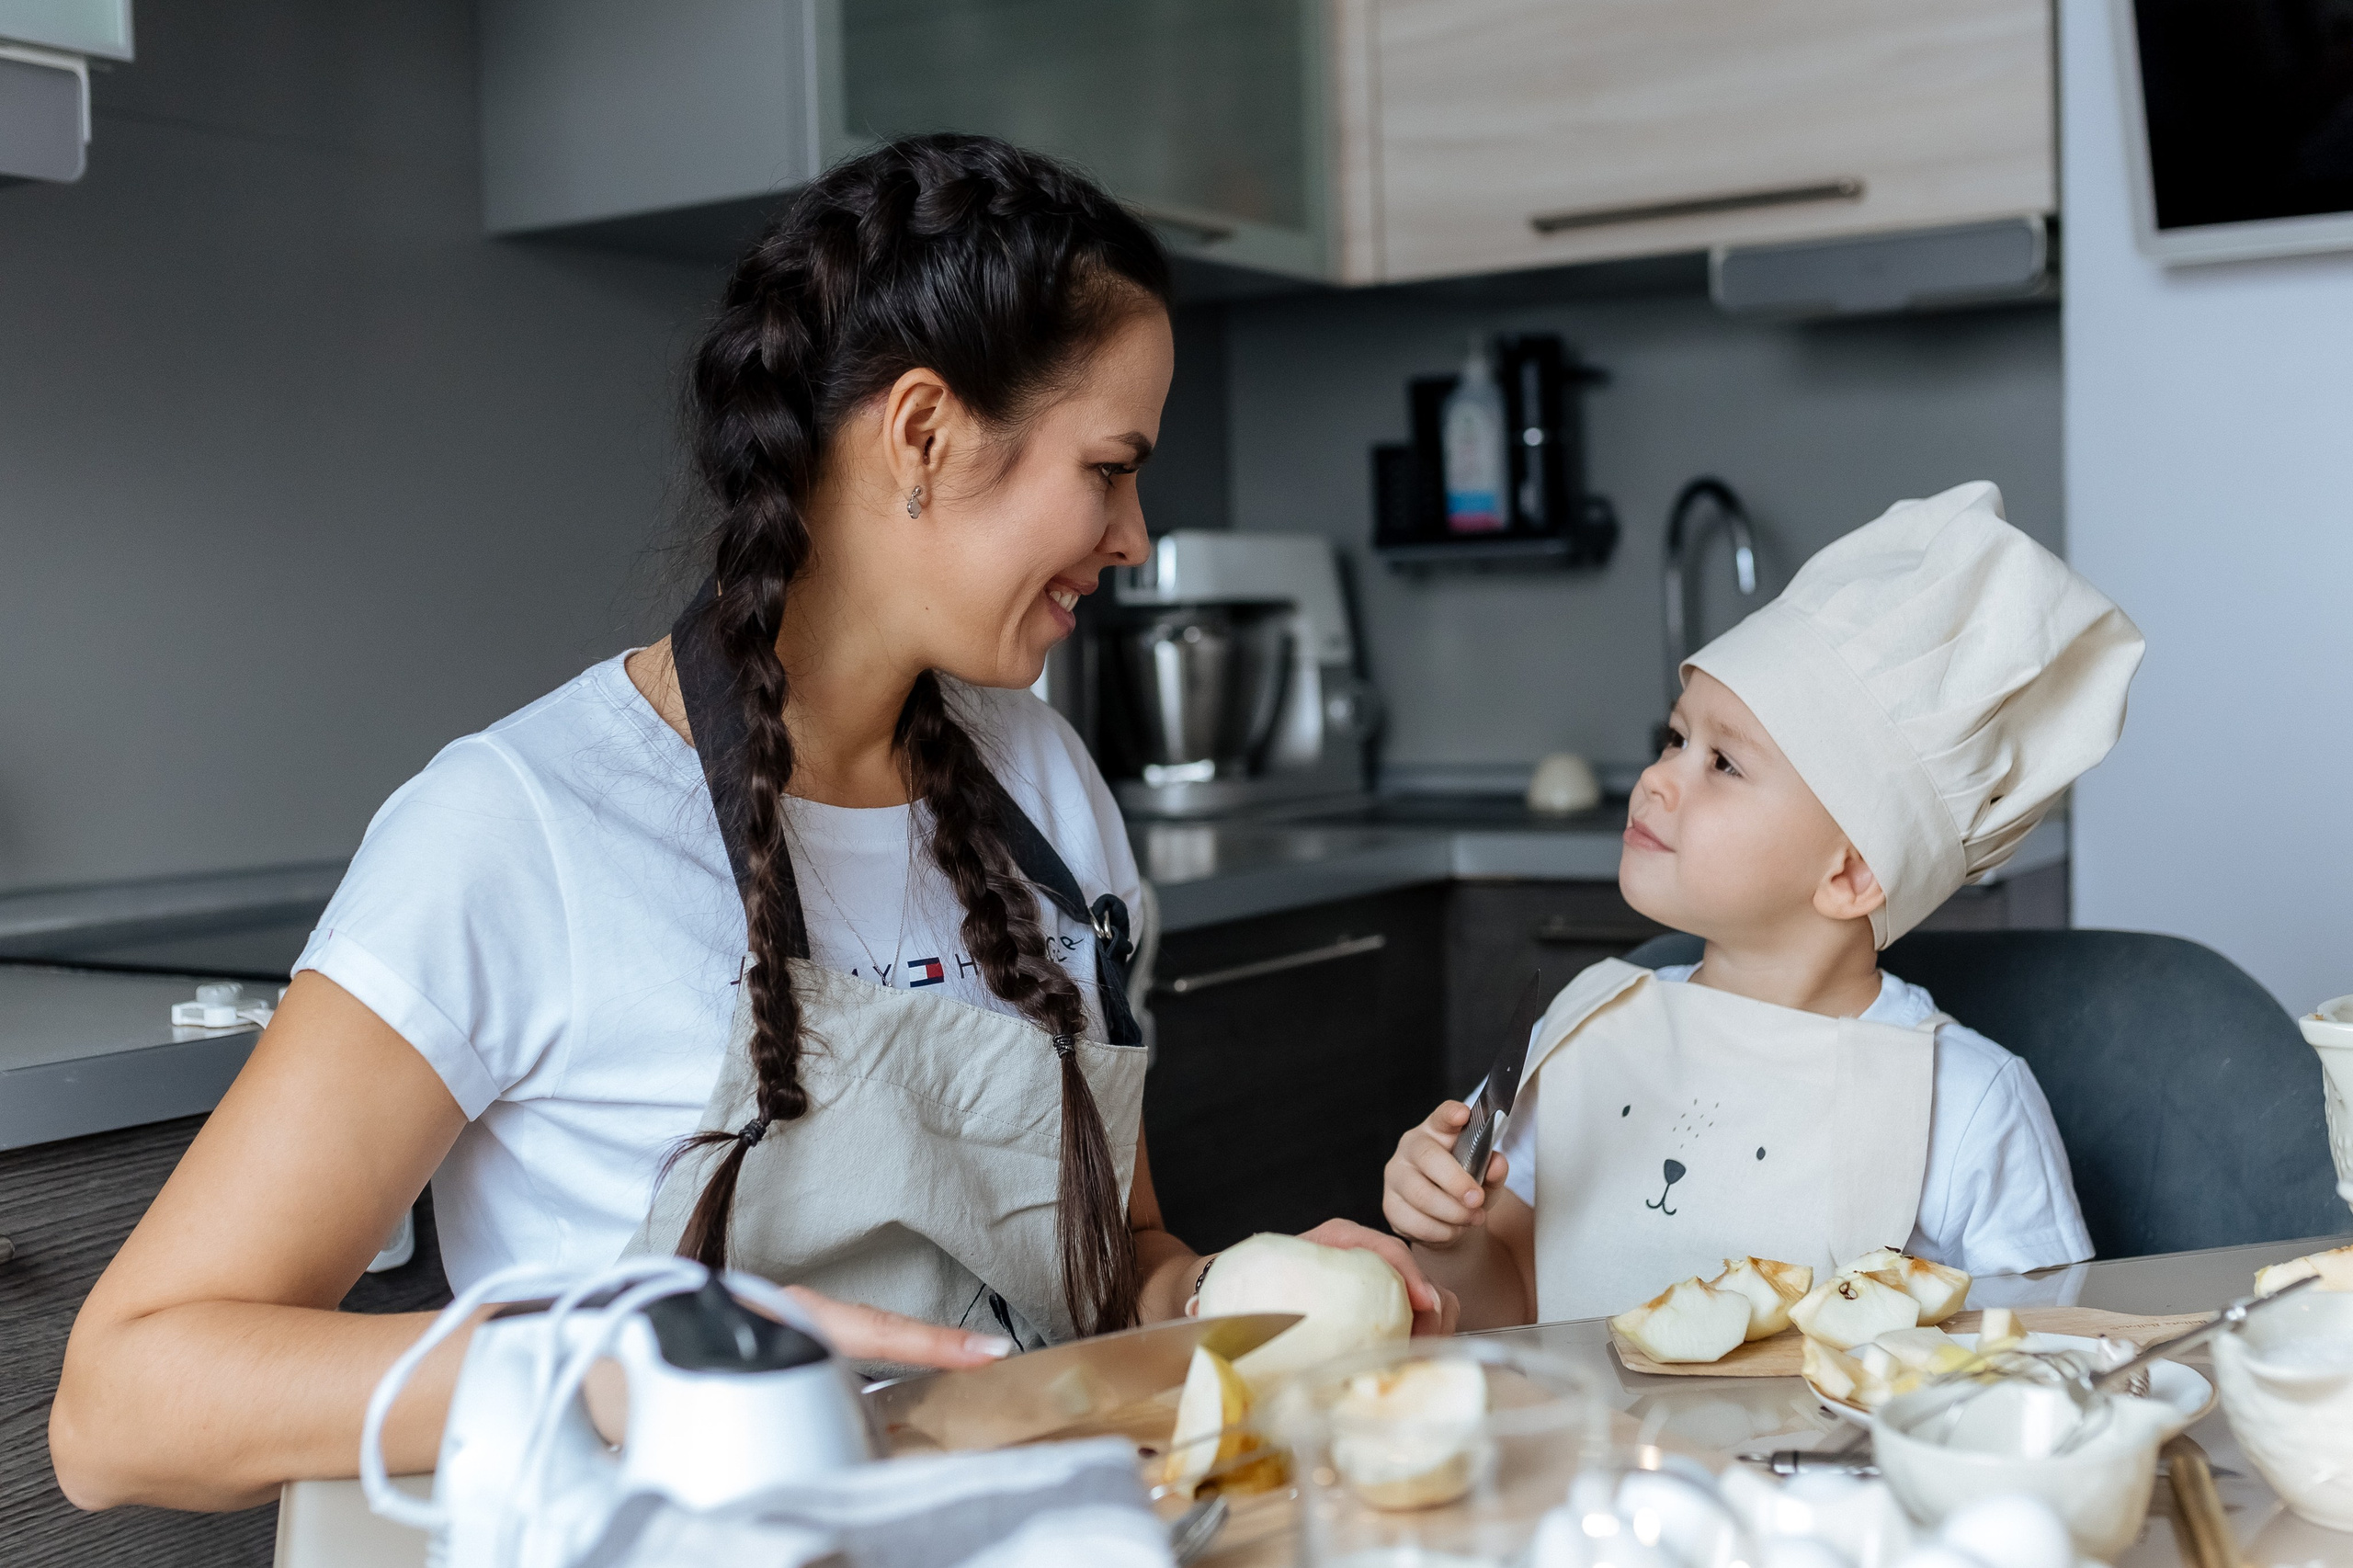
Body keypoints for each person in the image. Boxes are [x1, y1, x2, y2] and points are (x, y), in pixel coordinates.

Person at [51, 134, 1449, 1514]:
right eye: (1109, 466)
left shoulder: (1045, 782)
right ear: (922, 432)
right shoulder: (518, 828)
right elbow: (121, 1407)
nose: (1137, 531)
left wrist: (1222, 1293)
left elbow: (1111, 1256)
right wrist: (621, 1364)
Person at [1382, 482, 2146, 1329]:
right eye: (1675, 739)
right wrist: (1451, 1240)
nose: (1655, 780)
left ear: (1851, 872)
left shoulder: (1965, 1103)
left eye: (1722, 764)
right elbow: (1511, 1316)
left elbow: (2041, 1365)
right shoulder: (1588, 1025)